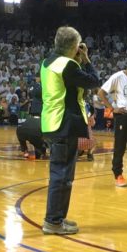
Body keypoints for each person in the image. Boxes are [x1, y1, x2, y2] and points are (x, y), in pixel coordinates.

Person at [41, 26, 99, 235]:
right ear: (74, 46)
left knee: (62, 174)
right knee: (62, 175)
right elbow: (94, 81)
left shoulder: (48, 61)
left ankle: (57, 218)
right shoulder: (67, 65)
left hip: (52, 122)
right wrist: (87, 58)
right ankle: (53, 221)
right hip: (64, 123)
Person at [98, 61, 127, 187]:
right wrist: (112, 109)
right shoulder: (117, 77)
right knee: (120, 147)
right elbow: (101, 93)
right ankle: (118, 174)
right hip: (122, 115)